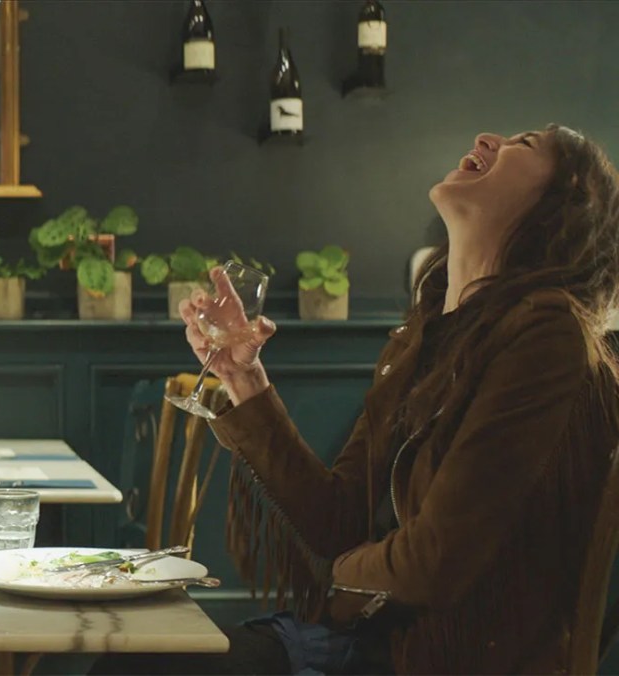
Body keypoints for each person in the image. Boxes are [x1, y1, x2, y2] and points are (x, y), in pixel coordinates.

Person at [95, 125, 619, 675]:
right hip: (366, 643)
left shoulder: (548, 334)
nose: (489, 138)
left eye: (525, 143)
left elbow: (438, 556)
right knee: (127, 661)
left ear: (567, 203)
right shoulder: (425, 336)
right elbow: (336, 517)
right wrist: (243, 378)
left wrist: (341, 579)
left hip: (433, 660)